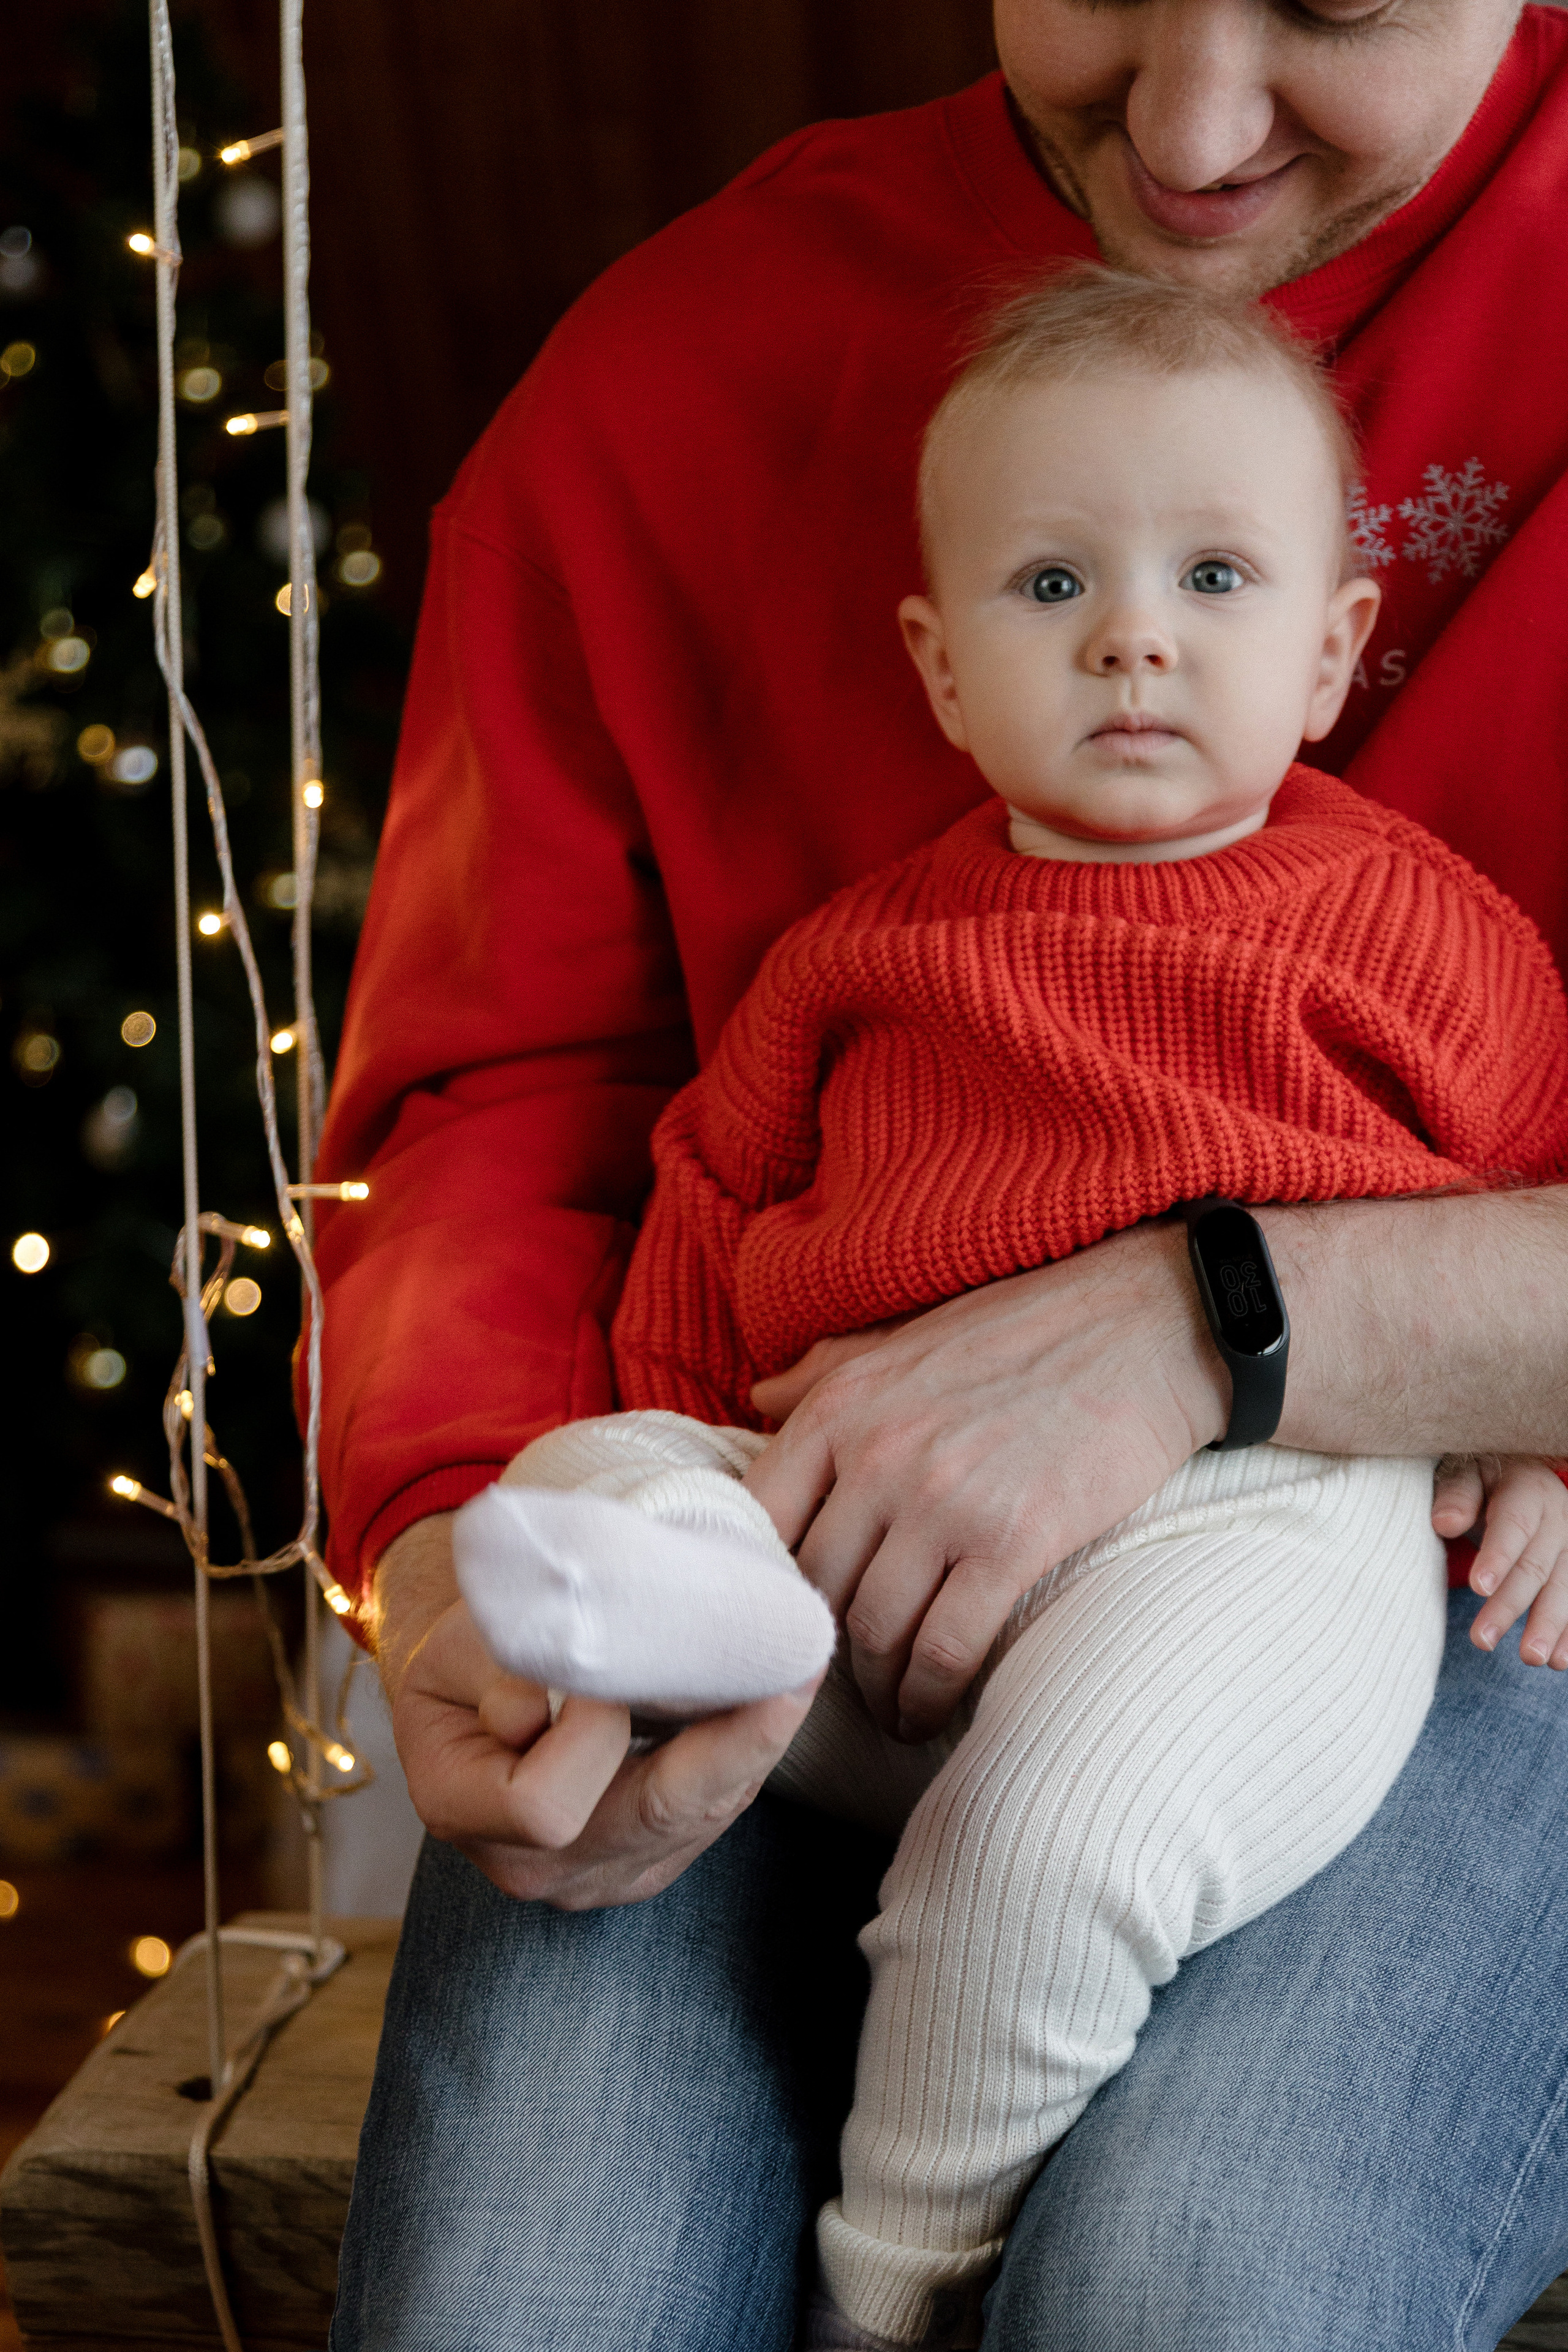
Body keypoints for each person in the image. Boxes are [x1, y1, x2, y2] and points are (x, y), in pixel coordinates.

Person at [321, 4, 1568, 2345]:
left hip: (1473, 1563)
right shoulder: (670, 373)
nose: (1193, 130)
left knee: (1197, 2285)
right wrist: (461, 1541)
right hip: (790, 1520)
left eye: (1334, 5)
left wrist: (1228, 1326)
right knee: (521, 2296)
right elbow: (518, 1107)